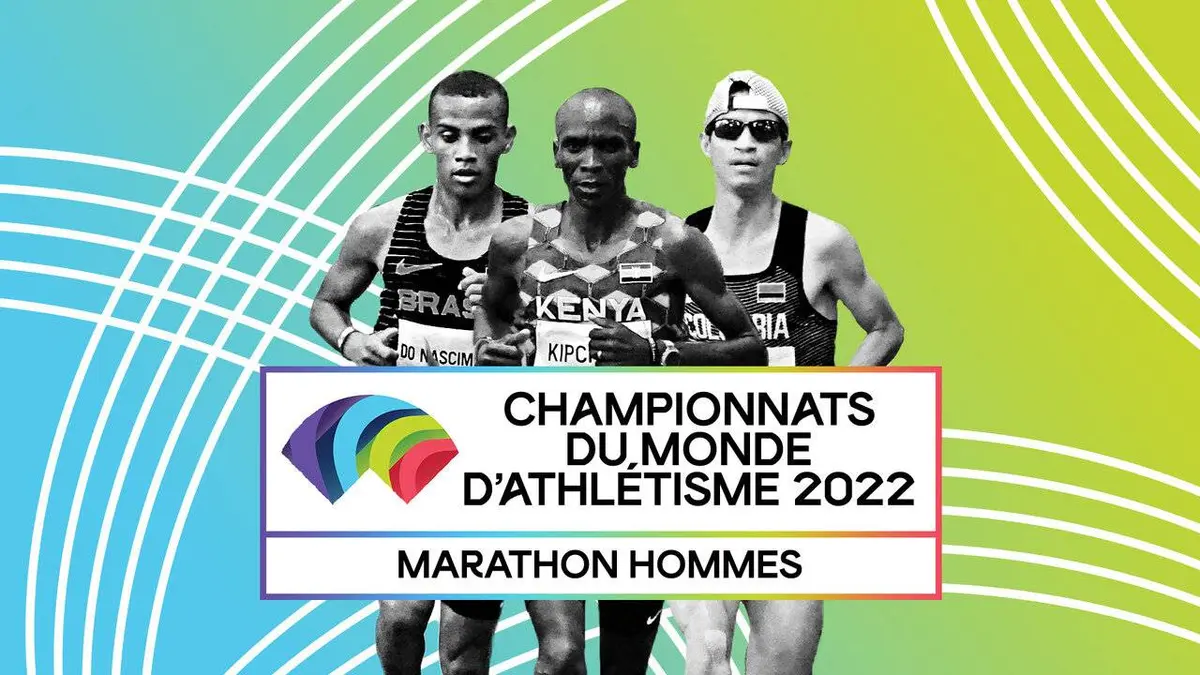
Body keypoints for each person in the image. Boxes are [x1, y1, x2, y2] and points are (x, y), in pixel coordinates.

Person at [474, 87, 768, 674]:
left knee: (623, 665)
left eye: (608, 146)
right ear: (555, 153)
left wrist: (658, 354)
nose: (591, 163)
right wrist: (493, 346)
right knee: (561, 654)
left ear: (633, 153)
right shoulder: (516, 239)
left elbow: (751, 349)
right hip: (542, 474)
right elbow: (492, 310)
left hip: (636, 478)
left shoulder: (674, 241)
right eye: (575, 146)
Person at [673, 71, 905, 675]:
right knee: (705, 655)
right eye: (730, 129)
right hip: (698, 481)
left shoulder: (821, 241)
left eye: (763, 130)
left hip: (788, 488)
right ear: (706, 143)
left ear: (784, 148)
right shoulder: (678, 242)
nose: (745, 142)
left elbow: (885, 328)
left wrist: (832, 409)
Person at [309, 70, 533, 675]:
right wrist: (353, 341)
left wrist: (508, 315)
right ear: (426, 137)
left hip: (493, 453)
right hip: (405, 436)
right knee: (402, 615)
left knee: (463, 654)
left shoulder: (535, 233)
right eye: (450, 134)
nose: (466, 152)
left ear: (507, 139)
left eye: (482, 135)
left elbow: (561, 344)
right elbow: (326, 304)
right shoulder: (381, 225)